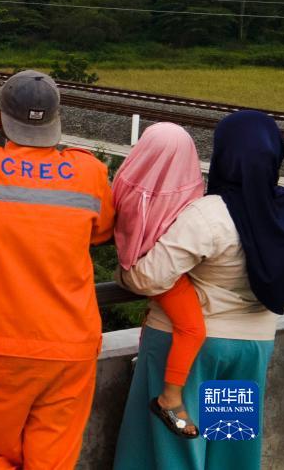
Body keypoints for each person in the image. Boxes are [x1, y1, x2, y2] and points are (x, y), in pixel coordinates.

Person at [0, 70, 115, 469]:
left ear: (0, 118)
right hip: (71, 343)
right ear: (56, 120)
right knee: (54, 456)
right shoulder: (89, 172)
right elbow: (102, 231)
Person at [114, 110, 284, 470]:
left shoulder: (208, 214)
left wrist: (124, 271)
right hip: (250, 347)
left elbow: (148, 278)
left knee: (175, 451)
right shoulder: (283, 210)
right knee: (228, 449)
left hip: (190, 351)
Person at [112, 122, 206, 438]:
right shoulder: (196, 202)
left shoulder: (128, 182)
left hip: (138, 280)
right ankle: (170, 399)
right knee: (228, 438)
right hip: (236, 349)